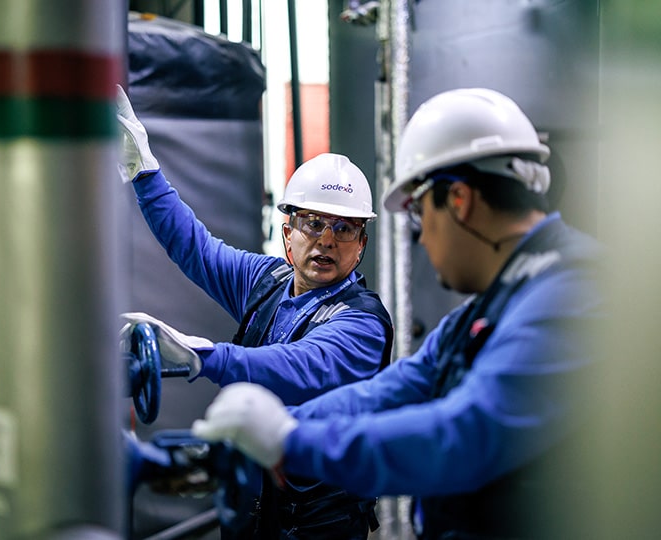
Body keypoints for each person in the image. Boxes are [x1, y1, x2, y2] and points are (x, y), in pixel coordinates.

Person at [191, 87, 605, 540]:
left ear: (459, 202)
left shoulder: (573, 293)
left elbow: (460, 437)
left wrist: (291, 443)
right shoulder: (496, 301)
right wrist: (282, 427)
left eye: (418, 215)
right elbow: (396, 388)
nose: (422, 239)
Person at [116, 86, 393, 539]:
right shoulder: (267, 281)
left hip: (319, 527)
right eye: (313, 222)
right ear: (288, 233)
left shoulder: (360, 323)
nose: (326, 240)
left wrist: (204, 357)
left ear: (360, 246)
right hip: (251, 515)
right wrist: (143, 170)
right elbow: (195, 247)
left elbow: (298, 366)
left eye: (344, 228)